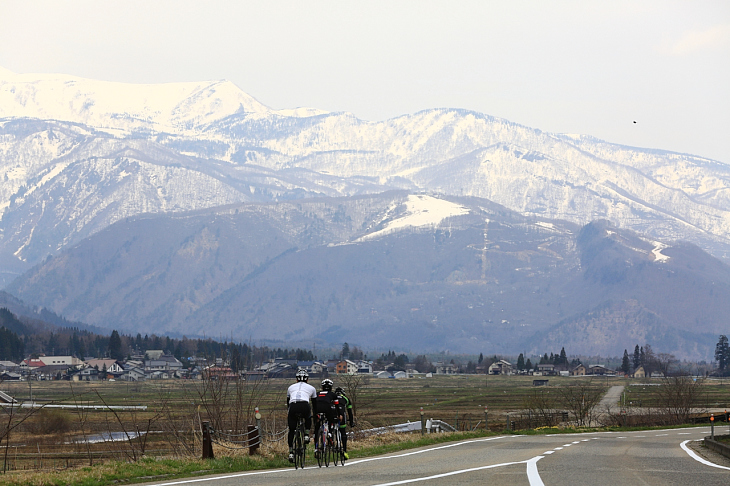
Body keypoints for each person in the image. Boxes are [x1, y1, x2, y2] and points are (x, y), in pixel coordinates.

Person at [286, 369, 317, 463]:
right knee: (308, 416)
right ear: (307, 380)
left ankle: (291, 452)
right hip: (304, 405)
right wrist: (315, 415)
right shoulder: (312, 388)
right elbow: (315, 404)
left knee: (291, 430)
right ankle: (307, 434)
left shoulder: (290, 387)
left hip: (293, 406)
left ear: (296, 380)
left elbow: (288, 402)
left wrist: (290, 413)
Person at [313, 378, 339, 457]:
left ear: (322, 387)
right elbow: (337, 405)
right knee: (331, 419)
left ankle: (316, 447)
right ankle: (330, 433)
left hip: (317, 408)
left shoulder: (317, 393)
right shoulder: (333, 394)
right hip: (327, 408)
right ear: (331, 387)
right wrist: (338, 415)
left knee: (317, 426)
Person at [334, 386, 354, 459]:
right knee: (343, 432)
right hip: (342, 417)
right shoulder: (346, 399)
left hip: (333, 415)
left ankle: (331, 442)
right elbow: (350, 412)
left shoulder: (333, 397)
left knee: (331, 428)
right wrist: (351, 422)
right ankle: (345, 451)